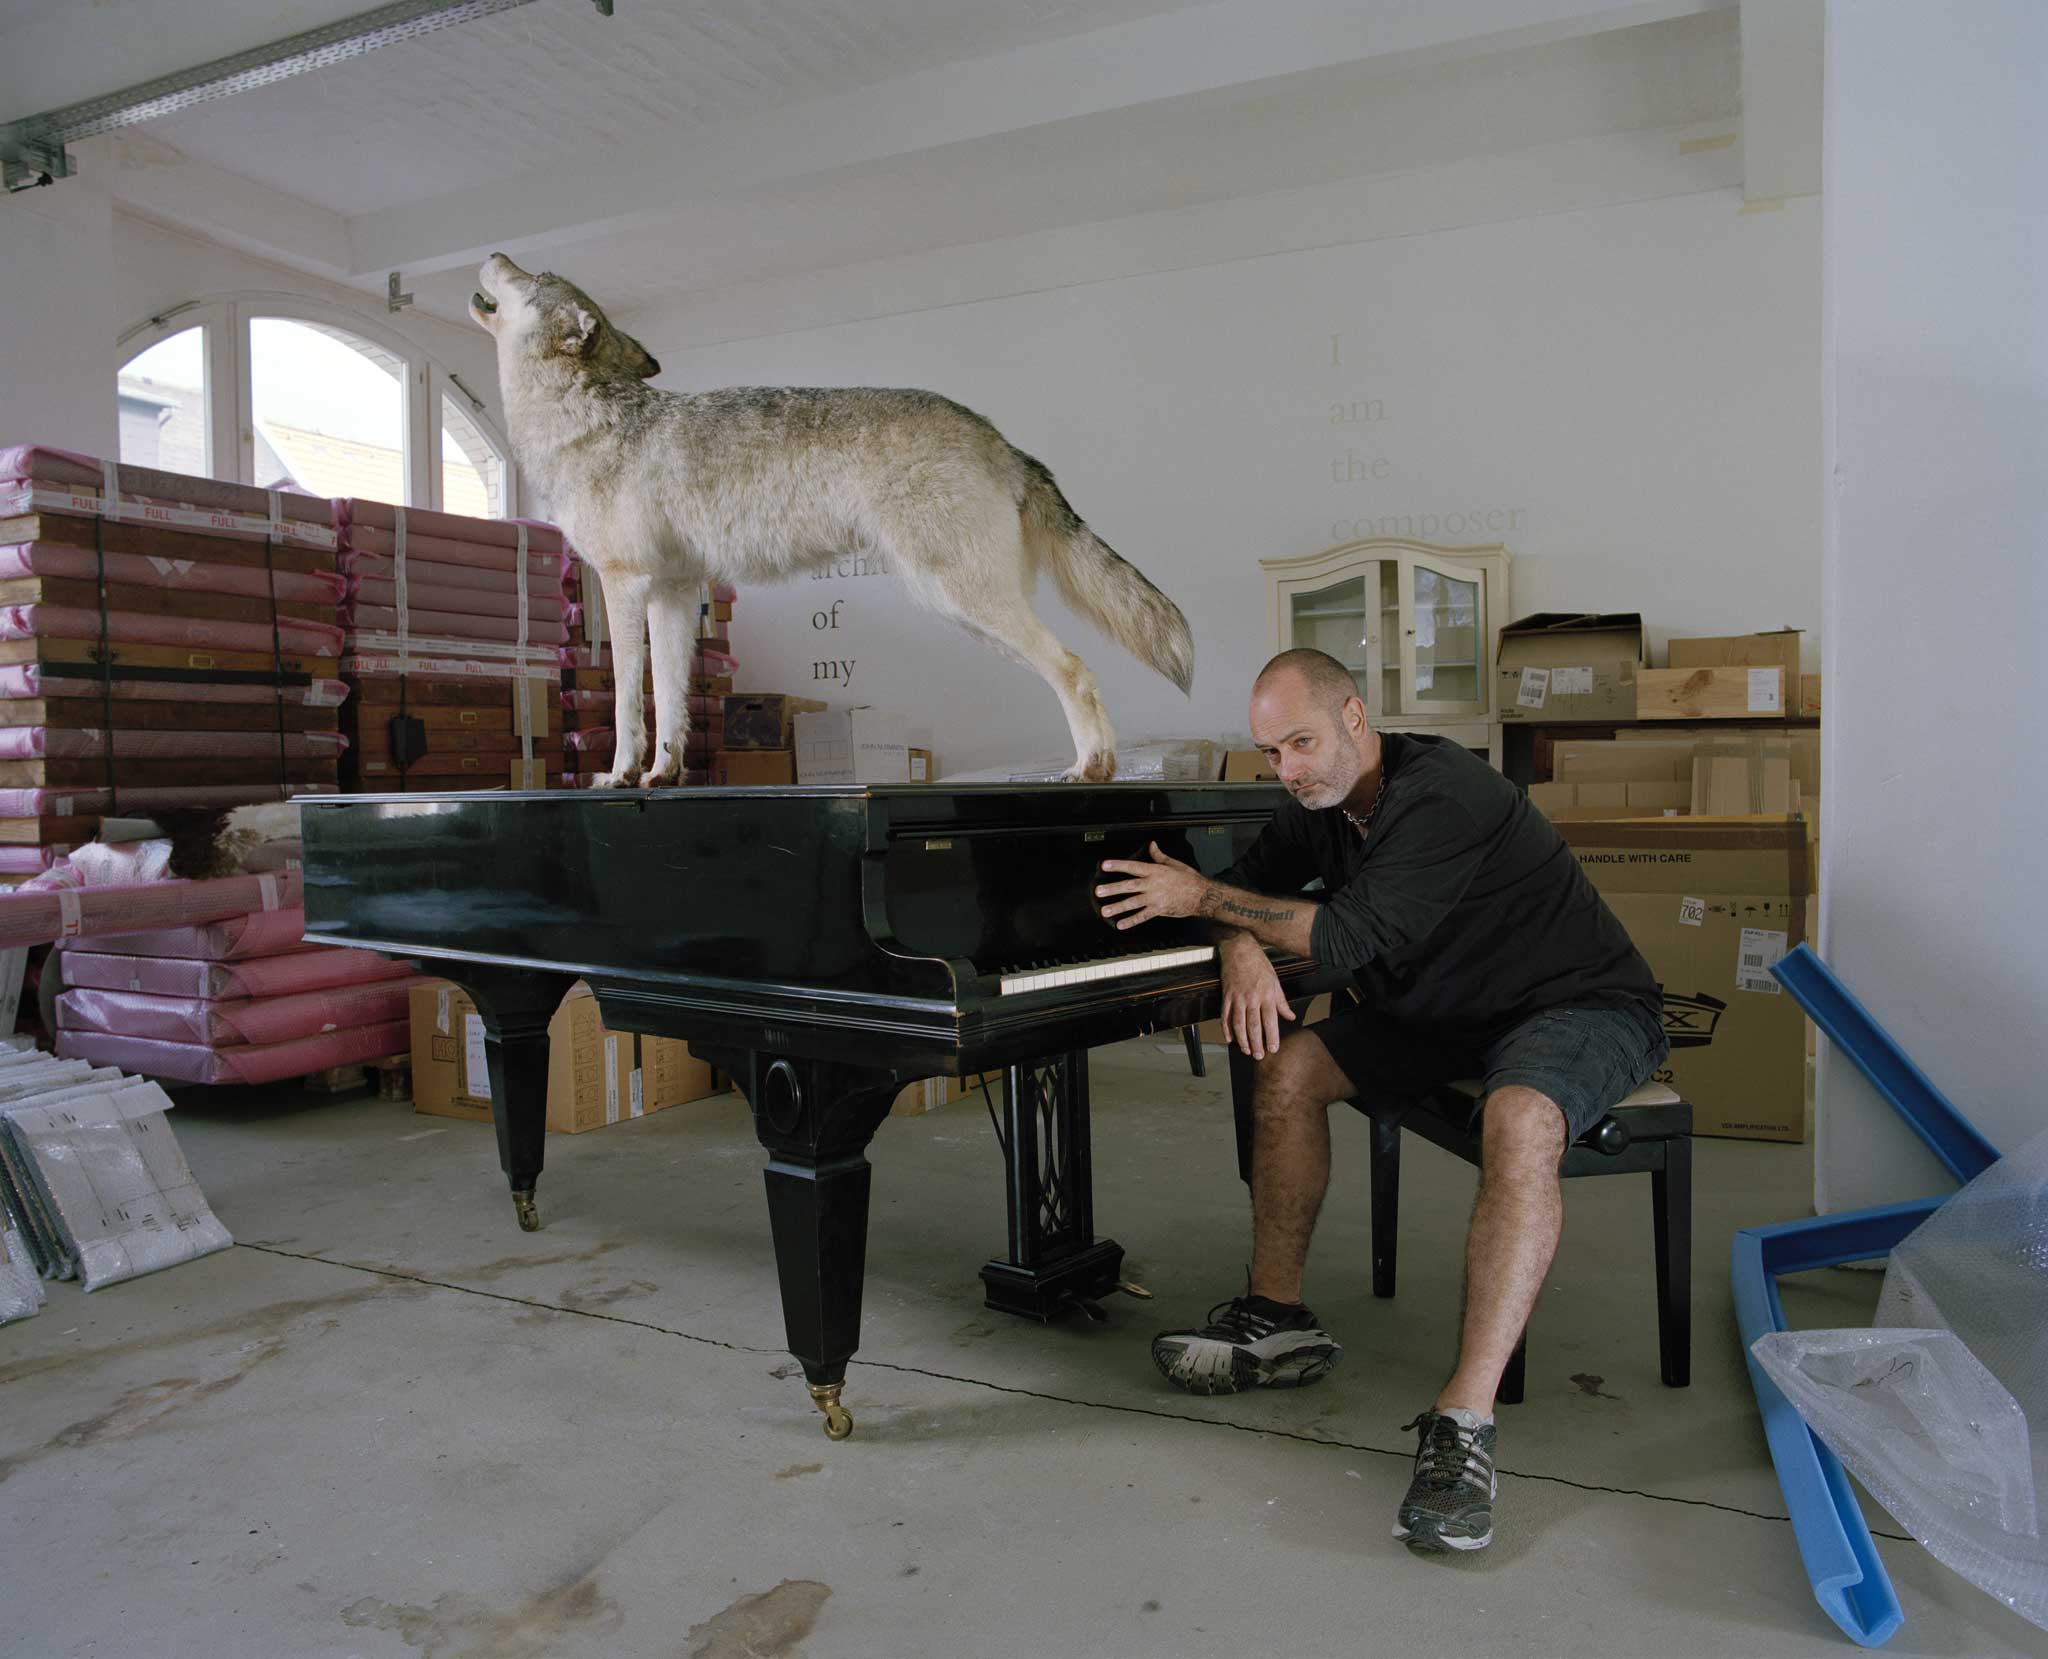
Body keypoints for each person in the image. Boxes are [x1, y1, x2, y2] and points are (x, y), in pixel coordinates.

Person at [1093, 647, 1668, 1554]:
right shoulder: (1317, 806)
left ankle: (1464, 1424)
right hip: (1444, 1011)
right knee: (1289, 1068)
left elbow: (1340, 929)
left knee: (1519, 1119)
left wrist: (1210, 900)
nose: (1289, 769)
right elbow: (1248, 888)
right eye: (1271, 752)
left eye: (1303, 742)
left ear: (1357, 717)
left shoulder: (1443, 792)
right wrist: (1237, 941)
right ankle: (1277, 1321)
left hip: (1573, 1001)